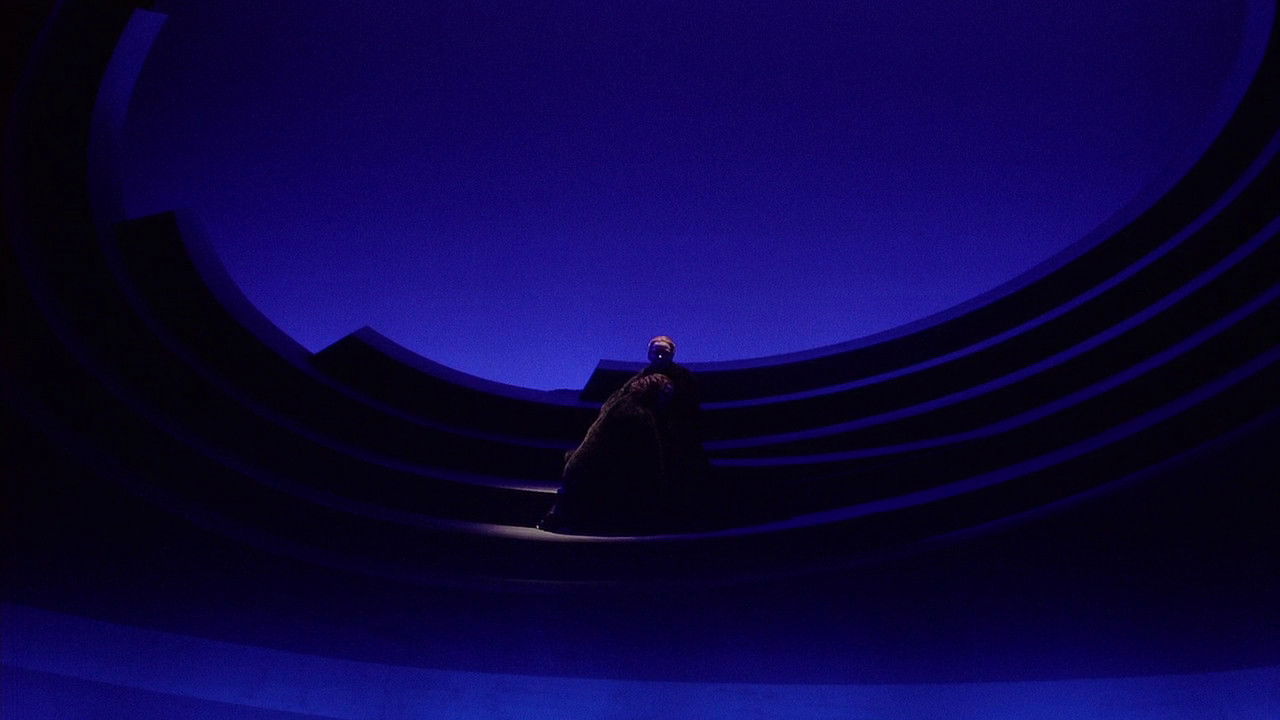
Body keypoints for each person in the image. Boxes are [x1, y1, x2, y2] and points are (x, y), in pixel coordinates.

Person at [539, 336, 710, 535]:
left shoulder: (684, 378)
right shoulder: (634, 397)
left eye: (664, 351)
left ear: (672, 354)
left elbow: (689, 410)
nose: (660, 355)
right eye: (656, 351)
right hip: (625, 446)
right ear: (649, 354)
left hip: (673, 437)